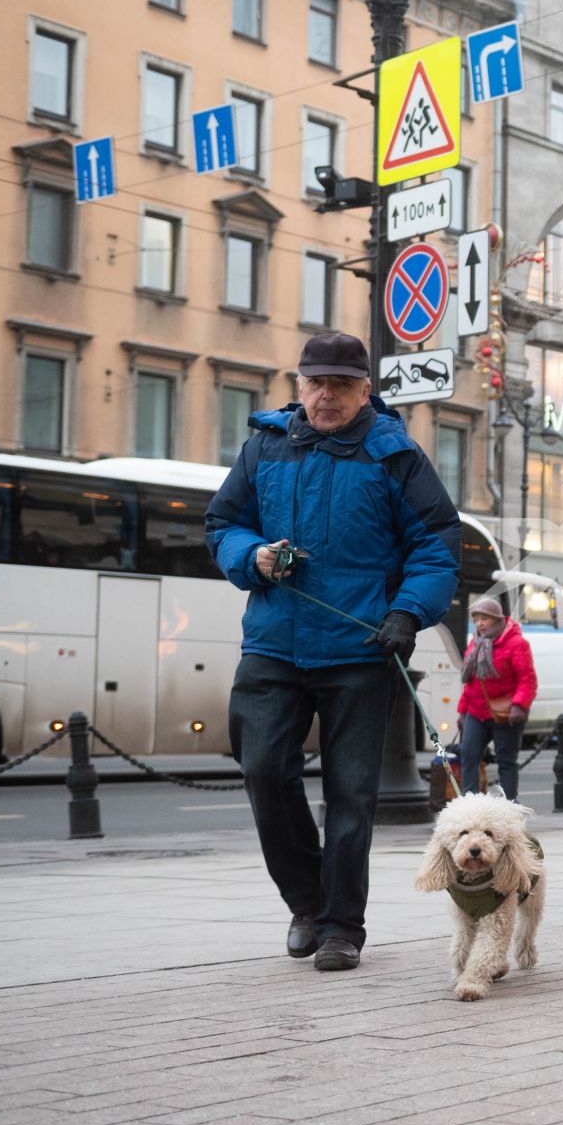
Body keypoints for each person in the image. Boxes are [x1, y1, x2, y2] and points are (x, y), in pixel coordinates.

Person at [205, 332, 461, 972]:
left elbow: (437, 545)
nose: (327, 396)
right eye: (315, 383)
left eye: (341, 385)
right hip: (273, 643)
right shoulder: (264, 446)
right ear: (298, 385)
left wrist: (406, 613)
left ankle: (342, 927)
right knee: (263, 770)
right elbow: (222, 524)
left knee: (351, 798)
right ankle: (306, 903)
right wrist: (250, 555)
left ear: (364, 390)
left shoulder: (394, 455)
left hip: (360, 650)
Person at [456, 596, 538, 800]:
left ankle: (510, 808)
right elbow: (470, 683)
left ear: (497, 619)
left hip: (506, 713)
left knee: (506, 762)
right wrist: (462, 712)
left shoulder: (517, 643)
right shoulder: (475, 644)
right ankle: (471, 806)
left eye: (484, 618)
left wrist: (519, 706)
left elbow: (527, 679)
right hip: (476, 712)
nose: (479, 624)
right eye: (476, 619)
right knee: (468, 756)